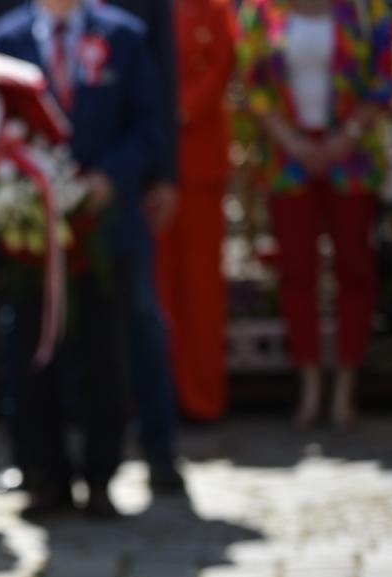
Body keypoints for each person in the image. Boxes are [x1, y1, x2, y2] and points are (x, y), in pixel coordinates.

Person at [0, 0, 161, 519]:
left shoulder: (123, 35)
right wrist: (15, 189)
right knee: (31, 355)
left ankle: (101, 478)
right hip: (30, 238)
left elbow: (148, 124)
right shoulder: (2, 42)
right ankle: (43, 477)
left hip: (101, 228)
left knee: (104, 356)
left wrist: (108, 179)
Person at [238, 0, 392, 428]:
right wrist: (294, 143)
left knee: (356, 269)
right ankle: (309, 386)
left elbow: (383, 77)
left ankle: (345, 386)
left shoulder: (368, 10)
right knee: (296, 271)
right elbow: (254, 86)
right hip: (289, 161)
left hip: (353, 157)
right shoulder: (261, 12)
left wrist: (348, 136)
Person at [157, 0, 236, 422]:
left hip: (199, 164)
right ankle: (157, 396)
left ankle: (202, 397)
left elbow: (222, 62)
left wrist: (179, 110)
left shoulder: (213, 8)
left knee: (202, 288)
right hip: (152, 169)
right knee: (156, 286)